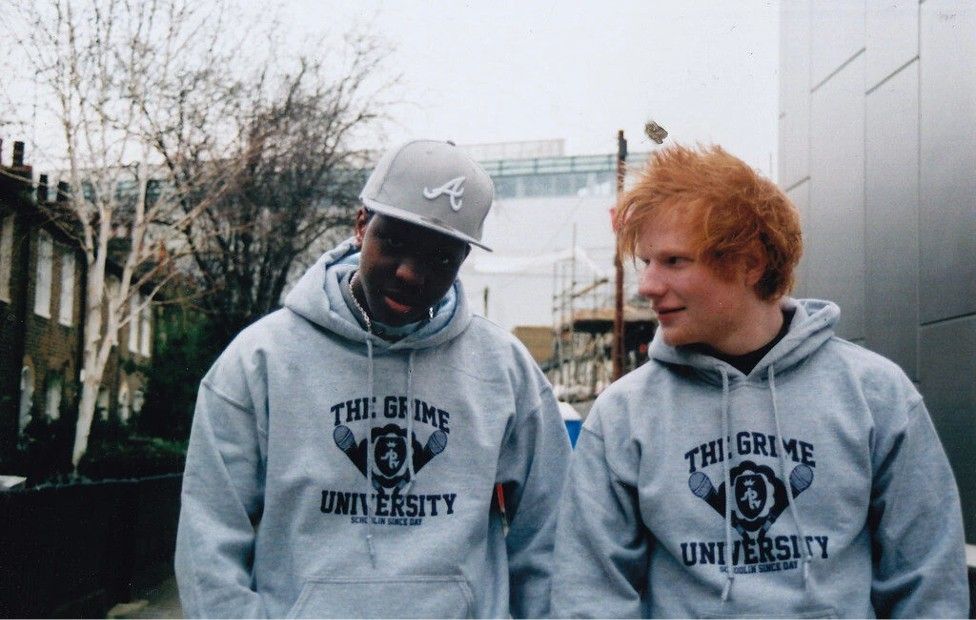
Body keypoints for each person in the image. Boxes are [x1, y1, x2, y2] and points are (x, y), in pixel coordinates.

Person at [551, 144, 968, 618]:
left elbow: (929, 583)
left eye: (673, 261)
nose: (647, 285)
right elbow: (590, 595)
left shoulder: (875, 394)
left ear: (750, 264)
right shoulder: (624, 413)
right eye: (646, 262)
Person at [175, 140, 571, 618]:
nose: (410, 273)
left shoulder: (504, 371)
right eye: (396, 242)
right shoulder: (261, 360)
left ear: (463, 259)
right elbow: (208, 544)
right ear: (362, 224)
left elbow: (551, 540)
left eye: (440, 258)